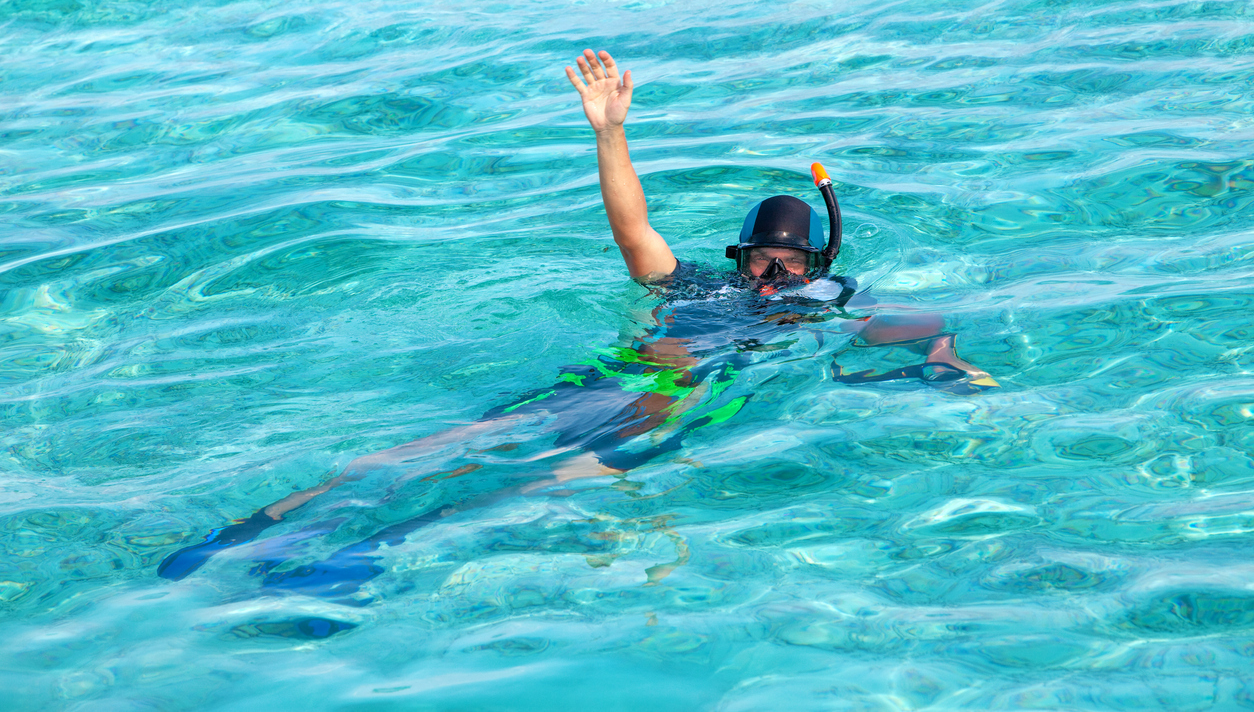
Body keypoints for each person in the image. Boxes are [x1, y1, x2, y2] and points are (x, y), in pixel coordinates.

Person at [157, 50, 996, 599]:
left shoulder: (827, 306)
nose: (773, 278)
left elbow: (917, 321)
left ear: (817, 264)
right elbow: (634, 232)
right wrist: (612, 135)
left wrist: (948, 349)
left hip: (651, 396)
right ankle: (251, 533)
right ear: (737, 258)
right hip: (623, 385)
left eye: (790, 266)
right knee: (444, 446)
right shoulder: (699, 285)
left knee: (532, 480)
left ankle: (360, 557)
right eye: (758, 262)